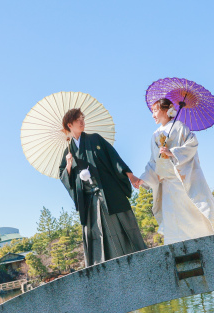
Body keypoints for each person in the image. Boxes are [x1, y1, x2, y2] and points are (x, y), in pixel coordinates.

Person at [58, 108, 147, 266]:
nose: (82, 122)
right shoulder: (68, 152)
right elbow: (65, 177)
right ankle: (103, 267)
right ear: (69, 124)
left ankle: (138, 262)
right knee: (97, 235)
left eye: (83, 118)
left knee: (122, 229)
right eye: (78, 120)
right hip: (89, 200)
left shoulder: (95, 139)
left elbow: (114, 157)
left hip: (108, 194)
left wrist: (130, 175)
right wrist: (69, 165)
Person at [135, 98, 214, 244]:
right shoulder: (155, 134)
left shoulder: (180, 127)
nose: (153, 115)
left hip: (182, 180)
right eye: (152, 112)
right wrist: (143, 178)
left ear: (166, 110)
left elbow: (192, 144)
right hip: (167, 185)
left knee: (193, 215)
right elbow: (153, 161)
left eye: (155, 110)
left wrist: (173, 152)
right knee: (173, 220)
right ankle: (178, 248)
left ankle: (204, 242)